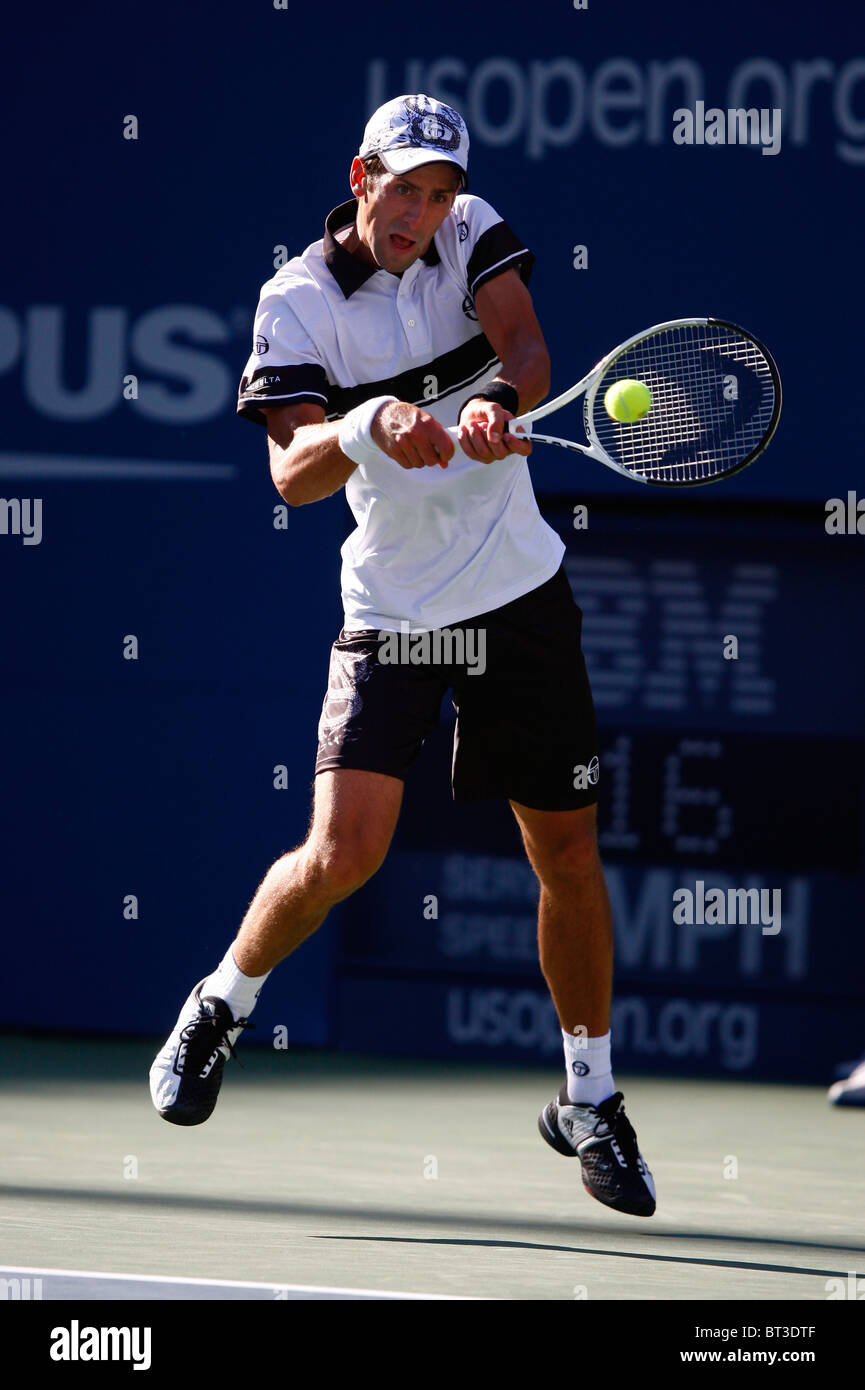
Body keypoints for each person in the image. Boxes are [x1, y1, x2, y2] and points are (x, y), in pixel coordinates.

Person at [149, 94, 656, 1218]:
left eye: (439, 192)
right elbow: (290, 474)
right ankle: (223, 1004)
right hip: (395, 606)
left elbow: (524, 345)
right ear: (361, 174)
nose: (421, 213)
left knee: (565, 855)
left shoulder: (472, 232)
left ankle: (589, 1097)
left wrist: (501, 404)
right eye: (404, 188)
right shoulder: (297, 300)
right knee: (344, 853)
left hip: (518, 588)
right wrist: (368, 424)